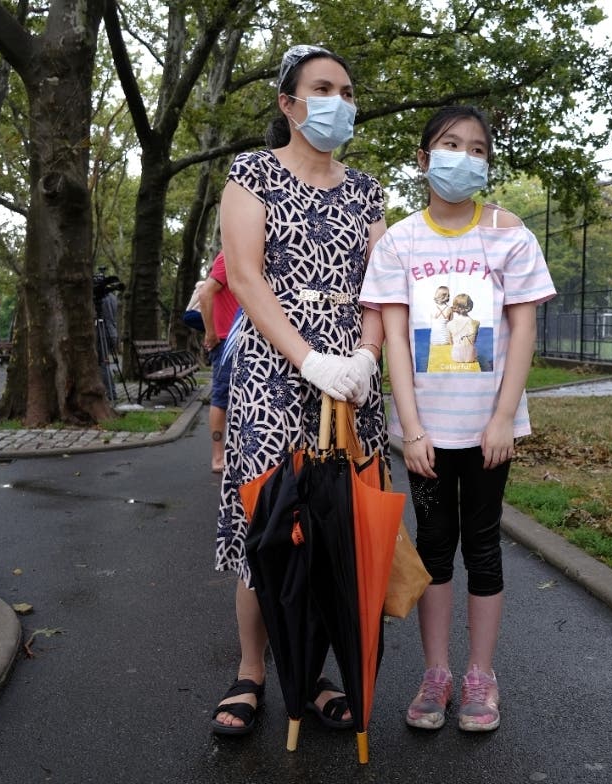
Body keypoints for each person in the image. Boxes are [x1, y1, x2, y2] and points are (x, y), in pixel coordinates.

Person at [210, 44, 387, 736]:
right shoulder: (251, 173)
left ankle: (311, 675)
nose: (339, 100)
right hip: (272, 375)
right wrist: (309, 360)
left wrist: (366, 356)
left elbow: (382, 284)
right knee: (269, 522)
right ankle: (252, 671)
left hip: (352, 381)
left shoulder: (368, 188)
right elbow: (247, 278)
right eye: (322, 88)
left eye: (346, 90)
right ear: (287, 103)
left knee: (333, 527)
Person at [360, 105, 555, 732]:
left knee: (485, 546)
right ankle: (436, 673)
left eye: (477, 148)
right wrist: (411, 430)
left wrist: (503, 418)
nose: (463, 157)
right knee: (436, 548)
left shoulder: (510, 236)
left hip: (489, 431)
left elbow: (523, 328)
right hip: (426, 435)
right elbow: (392, 337)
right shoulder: (397, 243)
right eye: (450, 144)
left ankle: (481, 676)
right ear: (423, 159)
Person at [197, 251, 241, 473]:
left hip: (239, 338)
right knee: (222, 396)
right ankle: (217, 457)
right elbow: (205, 293)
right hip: (225, 340)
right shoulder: (227, 256)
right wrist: (211, 334)